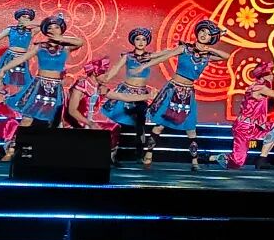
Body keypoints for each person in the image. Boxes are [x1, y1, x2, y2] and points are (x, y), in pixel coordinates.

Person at [136, 20, 230, 171]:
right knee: (160, 125)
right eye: (202, 31)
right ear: (197, 32)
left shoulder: (207, 56)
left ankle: (195, 162)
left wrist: (210, 48)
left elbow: (226, 56)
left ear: (211, 38)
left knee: (191, 129)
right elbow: (165, 56)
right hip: (173, 89)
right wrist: (145, 65)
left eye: (208, 34)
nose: (204, 35)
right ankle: (148, 155)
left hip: (188, 93)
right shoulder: (184, 48)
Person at [62, 57, 153, 166]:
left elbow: (123, 96)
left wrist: (148, 96)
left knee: (114, 127)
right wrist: (89, 123)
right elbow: (72, 110)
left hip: (90, 120)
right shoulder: (81, 85)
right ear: (95, 73)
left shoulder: (100, 87)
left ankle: (110, 157)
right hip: (76, 120)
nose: (106, 76)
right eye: (103, 73)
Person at [0, 13, 84, 129]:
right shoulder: (40, 47)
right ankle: (17, 140)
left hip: (55, 88)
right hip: (38, 86)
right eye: (50, 28)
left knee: (52, 121)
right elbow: (22, 58)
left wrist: (61, 39)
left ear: (61, 30)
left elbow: (80, 42)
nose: (53, 30)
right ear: (46, 31)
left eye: (56, 27)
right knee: (27, 119)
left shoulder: (66, 48)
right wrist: (4, 69)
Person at [99, 28, 156, 156]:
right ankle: (112, 152)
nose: (140, 42)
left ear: (147, 41)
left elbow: (165, 55)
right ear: (133, 41)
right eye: (137, 39)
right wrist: (105, 79)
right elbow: (116, 68)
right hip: (126, 91)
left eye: (144, 39)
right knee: (117, 121)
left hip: (141, 94)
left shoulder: (151, 57)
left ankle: (140, 151)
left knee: (140, 124)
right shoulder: (127, 56)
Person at [0, 8, 37, 89]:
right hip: (9, 56)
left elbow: (44, 25)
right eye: (24, 17)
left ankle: (19, 96)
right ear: (18, 18)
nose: (26, 19)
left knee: (21, 81)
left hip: (22, 58)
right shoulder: (11, 30)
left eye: (28, 18)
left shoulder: (31, 31)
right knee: (2, 78)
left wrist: (31, 23)